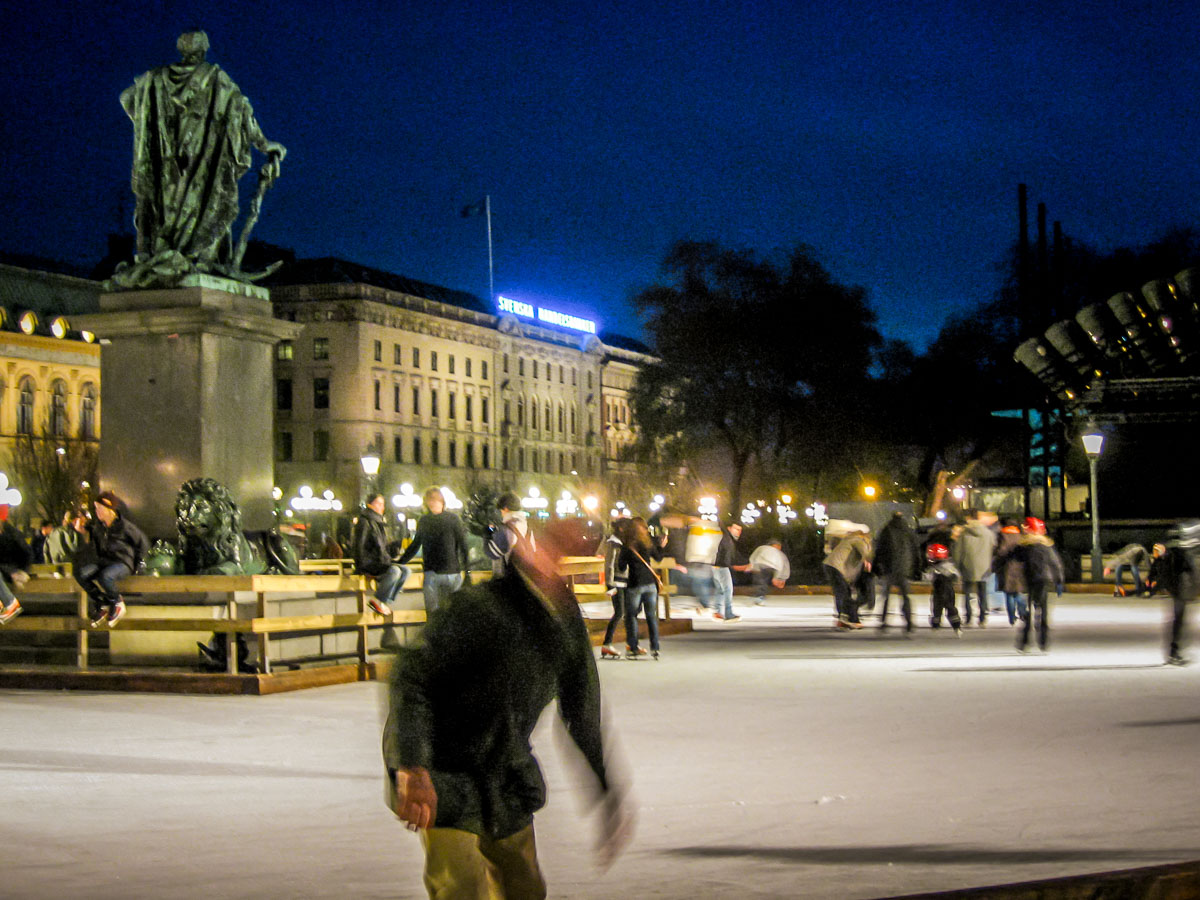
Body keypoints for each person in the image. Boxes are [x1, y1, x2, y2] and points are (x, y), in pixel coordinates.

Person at [383, 529, 632, 898]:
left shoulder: (562, 621)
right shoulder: (477, 607)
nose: (549, 562)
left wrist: (606, 790)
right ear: (527, 552)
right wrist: (414, 765)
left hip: (504, 773)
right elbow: (411, 678)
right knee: (462, 887)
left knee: (524, 888)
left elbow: (581, 707)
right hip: (441, 768)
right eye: (544, 550)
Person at [112, 30, 286, 288]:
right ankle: (196, 260)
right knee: (209, 208)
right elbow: (241, 111)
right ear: (204, 49)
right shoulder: (216, 79)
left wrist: (150, 124)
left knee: (166, 214)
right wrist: (264, 144)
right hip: (204, 164)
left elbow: (126, 98)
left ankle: (178, 258)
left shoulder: (155, 78)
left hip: (166, 165)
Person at [73, 492, 150, 628]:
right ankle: (102, 602)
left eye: (100, 509)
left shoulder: (125, 526)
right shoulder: (99, 527)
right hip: (104, 562)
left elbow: (142, 542)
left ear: (110, 509)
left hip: (122, 562)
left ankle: (117, 602)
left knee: (106, 576)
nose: (97, 512)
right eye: (96, 509)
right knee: (81, 574)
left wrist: (140, 563)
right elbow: (89, 535)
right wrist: (82, 530)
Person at [397, 488, 471, 616]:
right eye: (430, 501)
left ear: (442, 501)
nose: (433, 504)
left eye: (435, 501)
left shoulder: (452, 519)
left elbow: (463, 545)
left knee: (454, 614)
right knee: (433, 615)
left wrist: (467, 570)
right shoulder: (425, 521)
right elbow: (415, 545)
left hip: (452, 574)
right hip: (432, 574)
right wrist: (400, 562)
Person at [1013, 517, 1065, 653]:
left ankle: (1024, 642)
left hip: (1030, 581)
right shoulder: (1046, 545)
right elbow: (1055, 563)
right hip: (1044, 581)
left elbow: (1013, 557)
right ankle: (1043, 642)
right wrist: (1059, 580)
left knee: (1028, 612)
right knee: (1043, 611)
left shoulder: (1024, 546)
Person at [353, 493, 411, 616]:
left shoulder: (378, 523)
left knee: (406, 571)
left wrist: (395, 546)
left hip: (380, 561)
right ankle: (378, 601)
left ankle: (385, 602)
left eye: (383, 504)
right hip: (369, 563)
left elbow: (382, 548)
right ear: (370, 505)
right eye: (379, 504)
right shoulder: (365, 522)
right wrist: (360, 566)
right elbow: (359, 545)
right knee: (395, 571)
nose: (382, 507)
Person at [620, 518, 665, 659]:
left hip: (635, 584)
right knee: (651, 616)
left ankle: (633, 647)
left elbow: (621, 567)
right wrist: (662, 546)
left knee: (631, 616)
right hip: (650, 584)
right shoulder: (648, 543)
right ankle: (655, 648)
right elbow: (658, 558)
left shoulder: (627, 546)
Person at [1159, 522, 1199, 666]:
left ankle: (1174, 652)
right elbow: (1190, 572)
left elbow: (1164, 574)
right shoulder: (1181, 554)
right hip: (1180, 591)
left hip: (1176, 591)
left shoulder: (1169, 554)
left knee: (1178, 621)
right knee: (1179, 621)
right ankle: (1174, 653)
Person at [872, 511, 919, 632]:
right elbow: (915, 549)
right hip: (904, 567)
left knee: (886, 595)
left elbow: (880, 549)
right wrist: (916, 567)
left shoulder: (886, 530)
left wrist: (876, 565)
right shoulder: (908, 530)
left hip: (889, 567)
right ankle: (908, 621)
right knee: (905, 596)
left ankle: (883, 620)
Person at [952, 509, 996, 627]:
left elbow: (958, 551)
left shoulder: (964, 532)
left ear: (969, 518)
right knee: (983, 593)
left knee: (967, 593)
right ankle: (982, 618)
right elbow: (993, 548)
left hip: (968, 566)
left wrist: (957, 565)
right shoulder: (988, 533)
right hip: (984, 567)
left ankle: (969, 618)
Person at [824, 525, 871, 629]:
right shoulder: (858, 539)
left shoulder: (848, 540)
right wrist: (867, 560)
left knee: (843, 592)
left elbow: (850, 564)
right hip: (835, 566)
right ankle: (845, 619)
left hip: (832, 566)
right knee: (843, 593)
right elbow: (864, 552)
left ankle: (846, 618)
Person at [485, 492, 536, 578]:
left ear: (506, 509)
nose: (501, 513)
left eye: (501, 510)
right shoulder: (527, 527)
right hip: (526, 579)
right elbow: (533, 550)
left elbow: (495, 556)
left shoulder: (504, 529)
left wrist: (487, 535)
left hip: (508, 582)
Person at [598, 518, 629, 660]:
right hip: (616, 582)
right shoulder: (613, 543)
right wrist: (609, 584)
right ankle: (607, 643)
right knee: (619, 612)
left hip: (624, 582)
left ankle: (631, 643)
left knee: (626, 611)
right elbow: (609, 563)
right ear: (621, 528)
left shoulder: (622, 543)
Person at [0, 505, 33, 625]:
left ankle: (10, 603)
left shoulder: (13, 534)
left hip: (13, 569)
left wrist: (23, 570)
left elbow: (27, 553)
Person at [711, 521, 749, 622]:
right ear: (729, 528)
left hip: (715, 567)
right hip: (722, 567)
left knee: (720, 590)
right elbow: (728, 558)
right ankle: (728, 614)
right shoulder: (727, 540)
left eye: (740, 530)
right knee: (728, 590)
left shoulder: (725, 538)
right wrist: (737, 566)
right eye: (736, 529)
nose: (738, 532)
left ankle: (718, 612)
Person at [992, 519, 1028, 625]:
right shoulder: (1021, 536)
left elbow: (1000, 552)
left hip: (1006, 567)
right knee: (1018, 592)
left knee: (1009, 594)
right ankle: (1023, 612)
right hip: (1019, 567)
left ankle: (1012, 618)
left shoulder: (1002, 535)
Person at [923, 543, 962, 635]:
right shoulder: (949, 566)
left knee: (937, 608)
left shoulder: (934, 568)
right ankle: (956, 626)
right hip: (949, 591)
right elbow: (956, 576)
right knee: (951, 608)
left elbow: (927, 578)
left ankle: (936, 625)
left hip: (938, 591)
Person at [748, 539, 789, 606]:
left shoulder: (762, 548)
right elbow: (782, 564)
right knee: (761, 581)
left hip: (762, 566)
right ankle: (759, 595)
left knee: (760, 581)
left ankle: (759, 595)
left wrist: (752, 564)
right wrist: (778, 577)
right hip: (765, 566)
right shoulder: (772, 551)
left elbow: (753, 556)